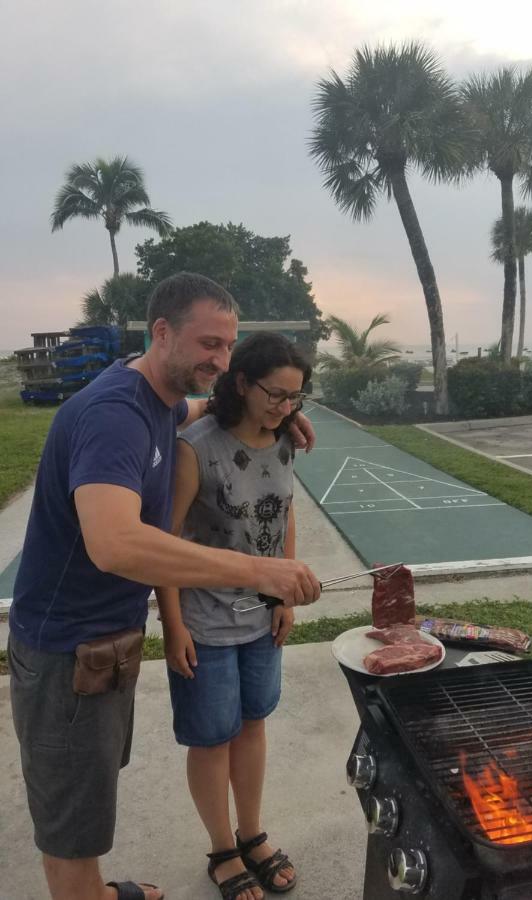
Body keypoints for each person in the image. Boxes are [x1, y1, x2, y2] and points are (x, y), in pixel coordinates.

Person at [7, 272, 321, 900]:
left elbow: (199, 409)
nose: (221, 360)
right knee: (71, 826)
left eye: (229, 347)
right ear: (161, 332)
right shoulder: (114, 414)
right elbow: (115, 543)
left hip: (106, 642)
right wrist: (261, 573)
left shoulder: (159, 399)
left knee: (89, 801)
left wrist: (280, 417)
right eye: (209, 343)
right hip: (66, 647)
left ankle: (97, 893)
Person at [157, 332, 312, 900]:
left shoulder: (285, 441)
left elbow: (288, 513)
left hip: (261, 620)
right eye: (275, 394)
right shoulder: (195, 447)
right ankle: (222, 850)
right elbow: (164, 541)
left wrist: (285, 594)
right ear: (242, 382)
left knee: (252, 725)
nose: (285, 407)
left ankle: (252, 834)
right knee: (212, 738)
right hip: (205, 623)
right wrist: (173, 627)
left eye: (296, 398)